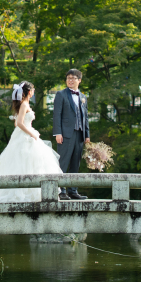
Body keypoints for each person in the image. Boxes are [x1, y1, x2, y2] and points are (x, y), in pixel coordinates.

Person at [0, 81, 62, 203]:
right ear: (29, 92)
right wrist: (31, 133)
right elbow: (20, 123)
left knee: (31, 163)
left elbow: (17, 123)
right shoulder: (24, 105)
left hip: (24, 133)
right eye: (33, 90)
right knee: (24, 162)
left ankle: (31, 192)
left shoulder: (24, 104)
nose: (33, 92)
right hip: (25, 136)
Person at [53, 69, 90, 200]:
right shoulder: (61, 94)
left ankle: (73, 191)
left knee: (76, 163)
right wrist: (57, 133)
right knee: (63, 163)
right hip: (65, 134)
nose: (70, 80)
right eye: (68, 78)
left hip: (80, 134)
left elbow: (85, 117)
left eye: (73, 78)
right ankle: (61, 191)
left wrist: (87, 135)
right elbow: (56, 115)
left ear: (79, 80)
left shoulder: (83, 97)